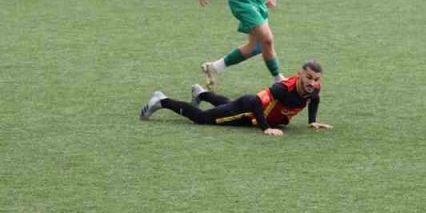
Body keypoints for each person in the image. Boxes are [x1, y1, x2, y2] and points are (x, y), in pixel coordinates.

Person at [140, 60, 332, 137]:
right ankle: (161, 100)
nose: (312, 83)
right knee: (202, 118)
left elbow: (314, 99)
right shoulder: (282, 88)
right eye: (308, 78)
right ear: (299, 75)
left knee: (226, 105)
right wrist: (266, 128)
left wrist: (312, 121)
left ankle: (201, 94)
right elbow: (256, 102)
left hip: (253, 111)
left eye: (316, 79)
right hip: (247, 110)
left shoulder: (314, 88)